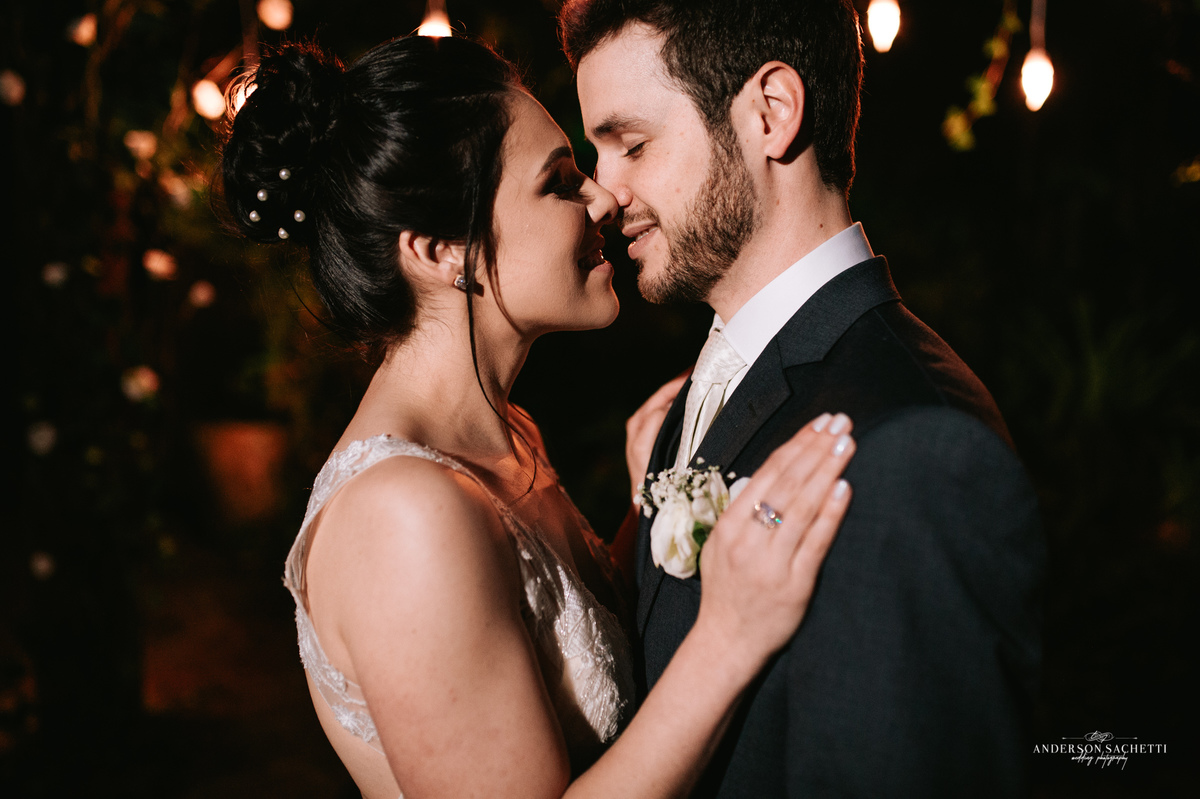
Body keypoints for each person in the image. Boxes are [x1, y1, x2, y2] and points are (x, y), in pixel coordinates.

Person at [219, 34, 858, 799]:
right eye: (559, 183)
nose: (605, 198)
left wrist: (646, 514)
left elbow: (569, 661)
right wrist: (731, 635)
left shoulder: (507, 434)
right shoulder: (402, 515)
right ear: (440, 249)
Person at [560, 0, 1046, 796]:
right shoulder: (701, 392)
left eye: (633, 145)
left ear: (771, 112)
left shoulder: (916, 448)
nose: (604, 193)